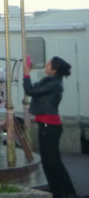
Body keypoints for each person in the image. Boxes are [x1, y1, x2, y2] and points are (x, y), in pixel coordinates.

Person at [23, 55, 80, 198]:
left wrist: (26, 72)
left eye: (49, 64)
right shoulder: (51, 82)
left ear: (54, 70)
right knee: (48, 163)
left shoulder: (53, 84)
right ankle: (58, 192)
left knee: (53, 162)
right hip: (47, 125)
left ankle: (68, 192)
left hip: (50, 127)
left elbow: (29, 91)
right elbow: (32, 88)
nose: (46, 66)